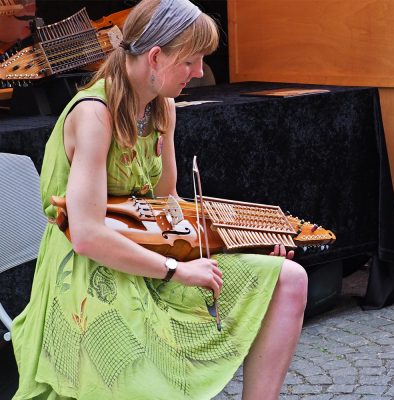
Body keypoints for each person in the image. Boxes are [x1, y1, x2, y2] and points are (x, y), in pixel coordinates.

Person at [10, 0, 308, 399]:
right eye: (191, 61)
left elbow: (167, 205)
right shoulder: (94, 114)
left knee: (289, 280)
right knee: (144, 376)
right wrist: (177, 270)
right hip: (92, 270)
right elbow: (85, 236)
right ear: (155, 57)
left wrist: (243, 239)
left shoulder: (163, 107)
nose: (199, 72)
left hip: (152, 253)